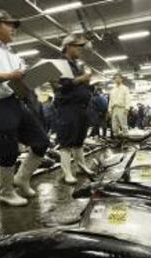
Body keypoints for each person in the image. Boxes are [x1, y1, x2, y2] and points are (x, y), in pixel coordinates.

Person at [0, 10, 49, 206]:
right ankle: (6, 192)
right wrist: (9, 76)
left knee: (41, 142)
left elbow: (20, 79)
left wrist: (32, 77)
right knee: (7, 151)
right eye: (9, 25)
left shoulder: (12, 53)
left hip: (16, 102)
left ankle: (22, 178)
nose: (13, 29)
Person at [54, 34, 94, 184]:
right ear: (68, 46)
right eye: (78, 46)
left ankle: (81, 166)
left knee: (79, 139)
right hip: (68, 107)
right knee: (67, 140)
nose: (80, 50)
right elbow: (64, 85)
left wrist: (86, 83)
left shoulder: (76, 64)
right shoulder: (61, 63)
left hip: (80, 107)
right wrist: (83, 79)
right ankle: (67, 173)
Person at [108, 73, 130, 138]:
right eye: (116, 78)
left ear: (121, 79)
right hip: (114, 109)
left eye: (118, 78)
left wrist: (127, 108)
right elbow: (110, 100)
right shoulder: (112, 90)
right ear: (114, 80)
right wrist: (109, 110)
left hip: (122, 108)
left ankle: (126, 141)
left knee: (124, 126)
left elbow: (128, 99)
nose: (117, 79)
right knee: (114, 126)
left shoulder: (125, 88)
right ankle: (116, 140)